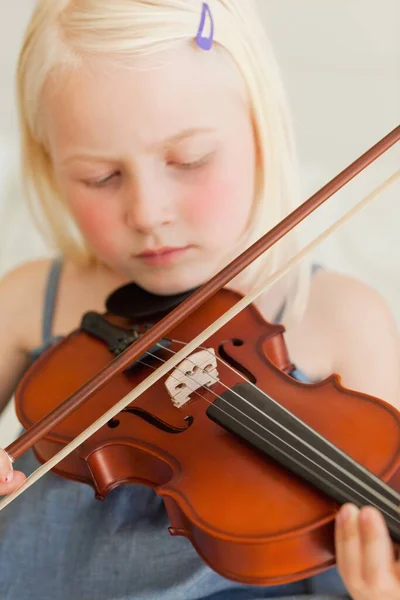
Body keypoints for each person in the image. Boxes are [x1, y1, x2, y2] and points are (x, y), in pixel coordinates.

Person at [0, 1, 399, 598]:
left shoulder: (341, 319)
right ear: (48, 165)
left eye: (189, 161)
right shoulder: (33, 298)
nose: (148, 213)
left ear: (261, 131)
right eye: (100, 178)